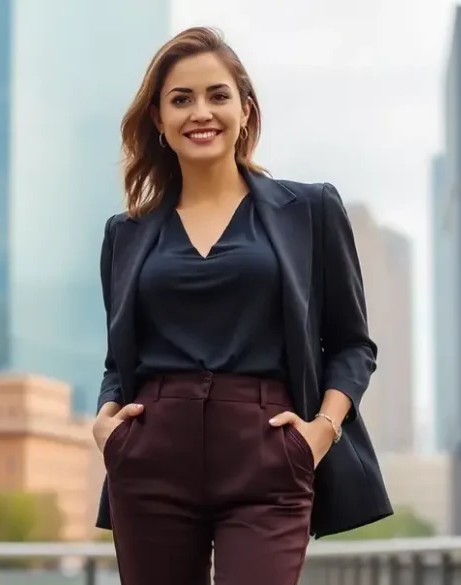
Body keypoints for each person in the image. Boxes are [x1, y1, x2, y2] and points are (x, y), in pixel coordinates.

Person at [91, 26, 393, 585]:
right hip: (151, 454)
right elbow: (120, 358)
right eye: (181, 99)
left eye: (217, 95)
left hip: (270, 454)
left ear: (245, 109)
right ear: (158, 119)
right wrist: (109, 425)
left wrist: (321, 431)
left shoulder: (309, 209)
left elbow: (352, 344)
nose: (200, 112)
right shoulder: (126, 234)